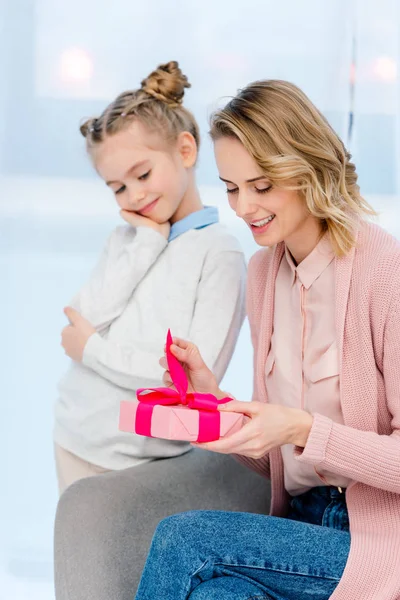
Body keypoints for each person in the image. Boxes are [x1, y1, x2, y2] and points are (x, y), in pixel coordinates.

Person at [135, 79, 400, 600]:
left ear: (307, 169)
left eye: (262, 185)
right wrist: (217, 404)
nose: (243, 207)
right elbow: (278, 459)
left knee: (185, 539)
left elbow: (305, 434)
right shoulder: (262, 273)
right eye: (231, 187)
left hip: (374, 539)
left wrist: (304, 427)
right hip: (297, 529)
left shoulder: (384, 271)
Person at [54, 61, 246, 494]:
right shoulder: (129, 238)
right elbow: (82, 317)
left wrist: (94, 352)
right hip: (73, 434)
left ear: (185, 151)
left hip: (143, 462)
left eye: (142, 175)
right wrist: (146, 243)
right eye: (118, 188)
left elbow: (190, 377)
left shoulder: (220, 254)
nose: (134, 195)